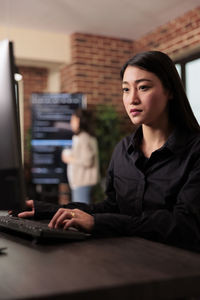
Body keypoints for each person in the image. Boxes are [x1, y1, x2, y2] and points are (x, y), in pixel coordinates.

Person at [18, 51, 200, 249]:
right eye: (125, 89)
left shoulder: (195, 150)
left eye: (143, 87)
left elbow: (186, 226)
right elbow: (113, 206)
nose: (132, 99)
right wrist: (53, 211)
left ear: (170, 90)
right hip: (129, 259)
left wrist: (101, 223)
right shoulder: (123, 149)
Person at [61, 109, 99, 204]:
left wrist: (69, 159)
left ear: (79, 121)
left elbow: (87, 161)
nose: (71, 123)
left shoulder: (83, 137)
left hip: (82, 183)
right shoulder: (87, 136)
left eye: (73, 120)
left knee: (80, 213)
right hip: (82, 183)